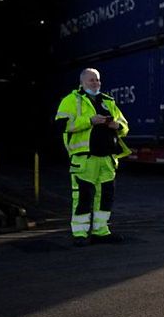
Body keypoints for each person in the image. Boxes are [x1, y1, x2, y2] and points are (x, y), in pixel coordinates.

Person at [55, 68, 131, 246]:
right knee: (83, 197)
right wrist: (90, 121)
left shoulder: (108, 101)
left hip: (107, 159)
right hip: (84, 159)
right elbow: (62, 124)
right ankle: (80, 234)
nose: (96, 83)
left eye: (97, 80)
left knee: (105, 197)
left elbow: (125, 126)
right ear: (82, 82)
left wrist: (116, 126)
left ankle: (101, 231)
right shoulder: (71, 100)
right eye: (91, 80)